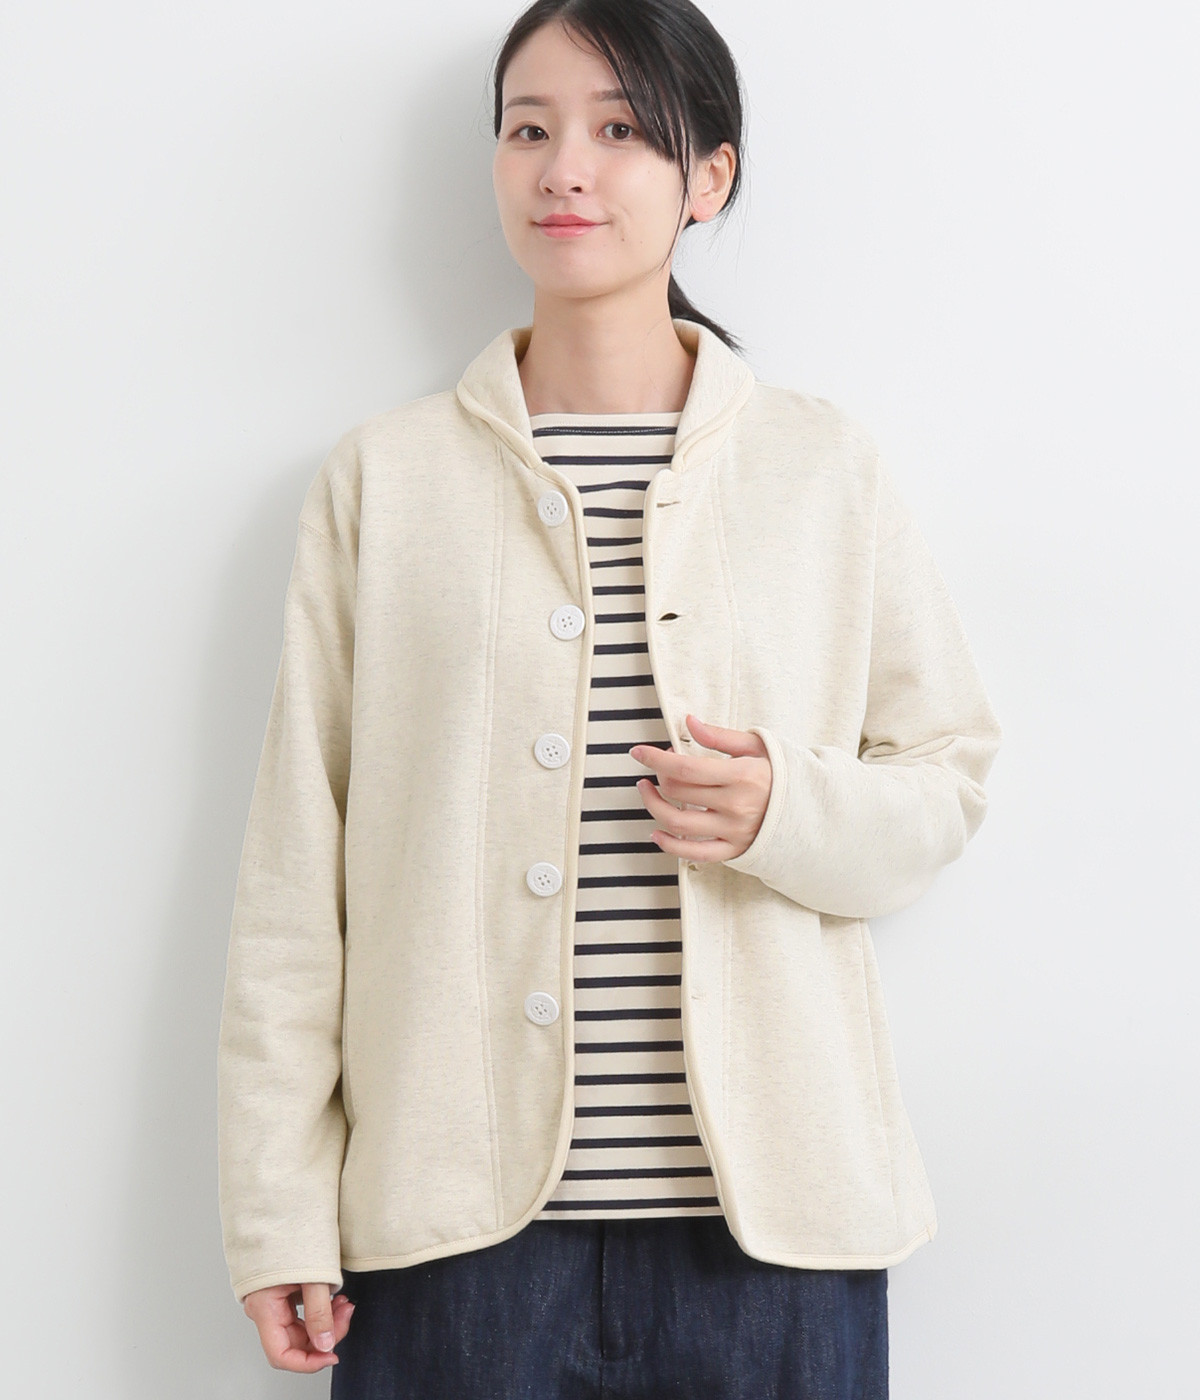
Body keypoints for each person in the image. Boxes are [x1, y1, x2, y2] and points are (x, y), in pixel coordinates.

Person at [216, 1, 1003, 1396]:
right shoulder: (386, 480)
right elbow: (297, 869)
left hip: (773, 1246)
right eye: (530, 129)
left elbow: (946, 782)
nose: (565, 168)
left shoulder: (821, 468)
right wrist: (277, 1206)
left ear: (710, 176)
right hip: (453, 1242)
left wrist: (783, 808)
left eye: (623, 128)